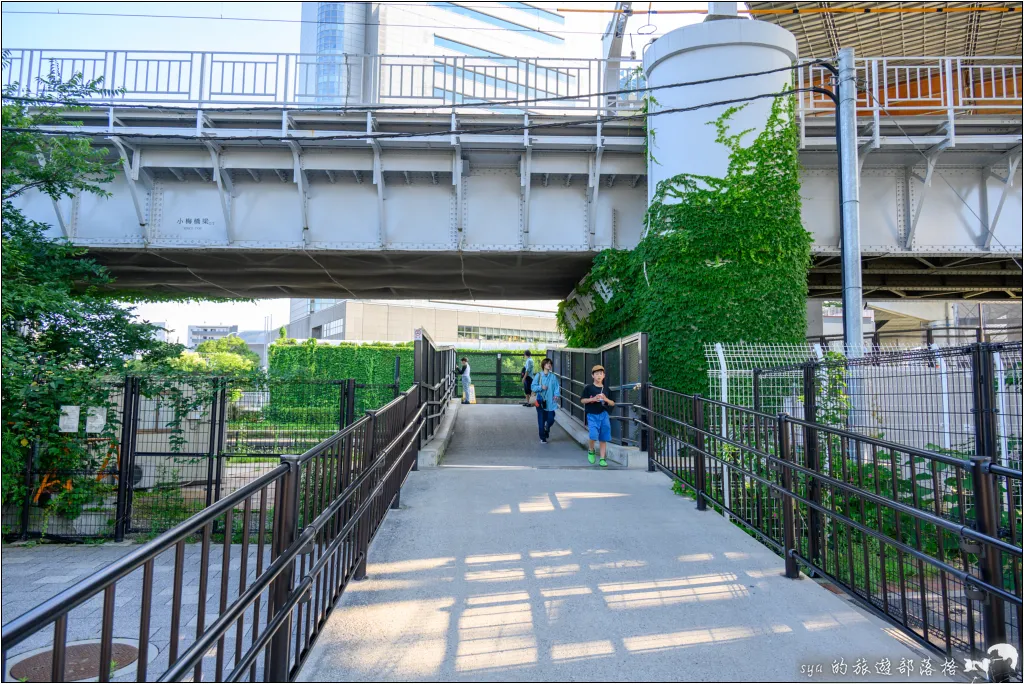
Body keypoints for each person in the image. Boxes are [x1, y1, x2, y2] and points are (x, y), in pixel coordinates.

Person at [580, 364, 615, 467]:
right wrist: (593, 399)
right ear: (592, 376)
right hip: (592, 414)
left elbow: (613, 403)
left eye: (601, 374)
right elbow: (582, 400)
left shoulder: (607, 389)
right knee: (593, 435)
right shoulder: (588, 388)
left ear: (604, 376)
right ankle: (591, 450)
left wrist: (605, 399)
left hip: (604, 414)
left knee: (603, 437)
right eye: (596, 374)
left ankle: (602, 459)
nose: (599, 376)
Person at [531, 357, 560, 443]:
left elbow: (556, 387)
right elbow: (533, 387)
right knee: (541, 419)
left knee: (551, 419)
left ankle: (547, 428)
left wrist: (556, 395)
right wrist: (541, 387)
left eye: (550, 364)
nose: (549, 365)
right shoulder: (538, 375)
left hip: (551, 402)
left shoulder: (553, 376)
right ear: (544, 365)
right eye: (548, 363)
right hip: (540, 401)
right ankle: (542, 437)